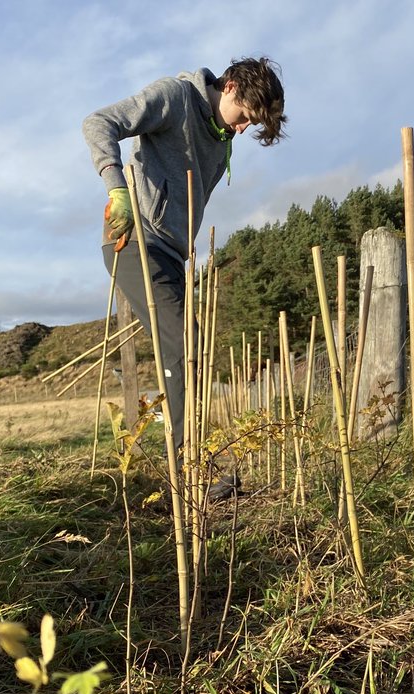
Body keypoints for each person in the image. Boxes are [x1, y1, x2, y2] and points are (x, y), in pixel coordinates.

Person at [81, 57, 286, 494]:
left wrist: (183, 234)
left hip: (170, 253)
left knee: (190, 351)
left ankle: (192, 460)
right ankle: (186, 472)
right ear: (229, 87)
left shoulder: (222, 136)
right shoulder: (175, 98)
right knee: (183, 344)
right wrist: (116, 187)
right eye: (245, 117)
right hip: (134, 240)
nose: (243, 129)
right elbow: (98, 123)